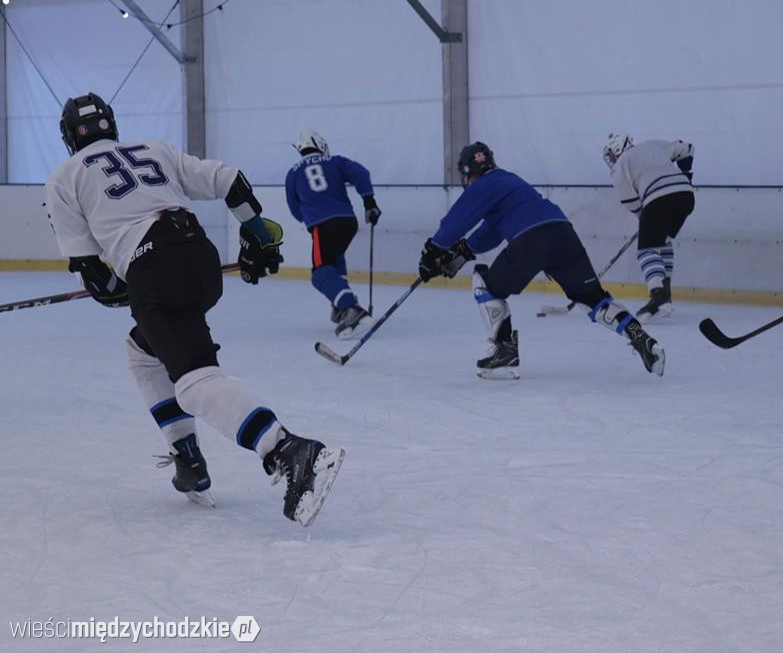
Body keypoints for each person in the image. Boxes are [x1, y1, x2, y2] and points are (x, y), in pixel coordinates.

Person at [44, 92, 344, 526]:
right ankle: (189, 460)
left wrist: (130, 289)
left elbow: (96, 278)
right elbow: (230, 181)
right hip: (200, 258)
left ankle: (289, 450)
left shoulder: (64, 177)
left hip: (154, 268)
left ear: (69, 137)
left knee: (193, 382)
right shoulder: (153, 150)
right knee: (143, 351)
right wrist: (257, 234)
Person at [417, 141, 666, 380]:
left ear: (468, 174)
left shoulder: (484, 184)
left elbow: (457, 220)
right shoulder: (510, 183)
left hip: (531, 240)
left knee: (484, 282)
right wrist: (464, 250)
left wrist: (432, 251)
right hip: (563, 234)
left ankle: (504, 351)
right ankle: (640, 336)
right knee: (592, 298)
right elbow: (491, 231)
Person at [285, 130, 381, 338]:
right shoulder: (335, 161)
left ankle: (350, 308)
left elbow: (294, 208)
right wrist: (369, 202)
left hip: (322, 225)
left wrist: (308, 218)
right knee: (335, 259)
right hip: (348, 221)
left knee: (319, 272)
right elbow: (362, 173)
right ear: (320, 144)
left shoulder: (293, 173)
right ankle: (339, 306)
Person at [603, 133, 696, 322]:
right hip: (686, 196)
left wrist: (644, 218)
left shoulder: (621, 167)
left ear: (620, 148)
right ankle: (666, 293)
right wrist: (685, 176)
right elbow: (688, 149)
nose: (612, 160)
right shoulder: (653, 145)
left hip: (658, 199)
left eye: (612, 155)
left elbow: (630, 201)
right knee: (663, 240)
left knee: (646, 250)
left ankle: (658, 295)